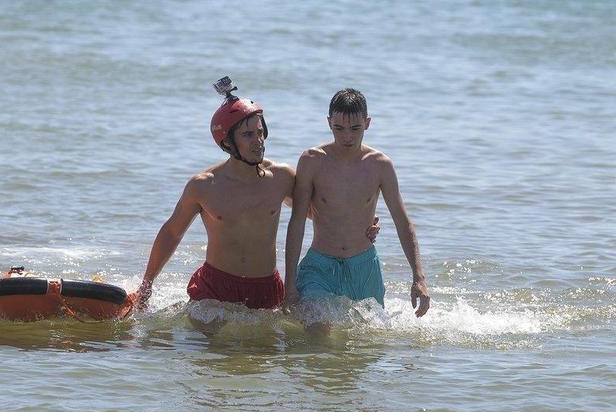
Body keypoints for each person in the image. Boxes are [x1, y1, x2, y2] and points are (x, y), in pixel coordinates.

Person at [127, 78, 380, 330]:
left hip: (266, 289)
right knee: (205, 346)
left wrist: (364, 224)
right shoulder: (203, 186)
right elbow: (172, 233)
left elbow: (321, 212)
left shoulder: (281, 178)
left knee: (265, 354)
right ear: (227, 141)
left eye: (260, 132)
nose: (258, 140)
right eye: (248, 135)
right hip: (215, 288)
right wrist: (147, 286)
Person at [284, 88, 430, 332]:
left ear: (367, 123)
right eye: (338, 128)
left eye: (355, 128)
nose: (347, 137)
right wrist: (289, 285)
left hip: (364, 268)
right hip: (320, 266)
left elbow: (403, 222)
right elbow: (296, 222)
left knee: (365, 343)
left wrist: (419, 278)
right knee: (318, 330)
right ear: (329, 123)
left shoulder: (380, 165)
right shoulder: (312, 160)